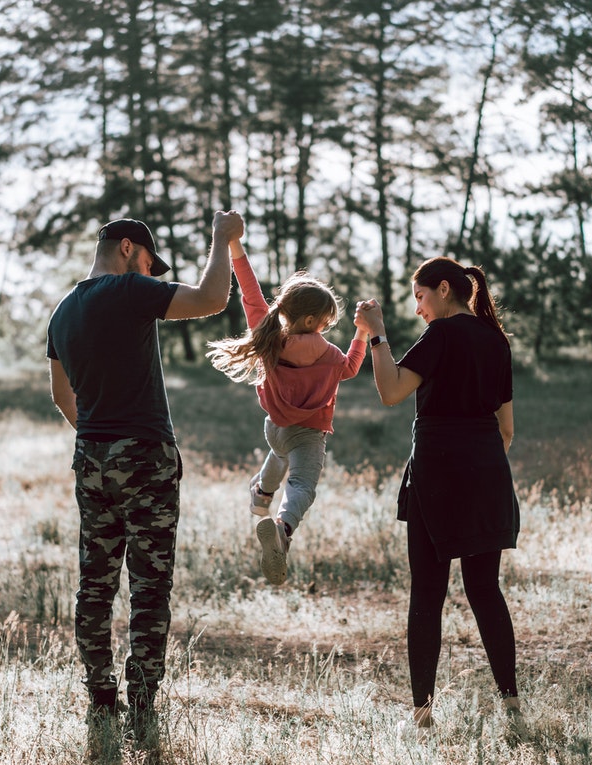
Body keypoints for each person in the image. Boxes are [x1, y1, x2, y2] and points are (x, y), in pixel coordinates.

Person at [47, 212, 244, 734]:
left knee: (95, 584)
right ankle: (141, 701)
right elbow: (212, 298)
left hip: (91, 458)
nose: (152, 276)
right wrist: (222, 238)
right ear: (128, 248)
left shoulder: (62, 311)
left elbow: (61, 396)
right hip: (144, 457)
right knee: (150, 584)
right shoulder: (129, 290)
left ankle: (100, 694)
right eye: (150, 265)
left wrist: (99, 435)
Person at [353, 257, 523, 735]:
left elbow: (391, 391)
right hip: (487, 474)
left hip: (437, 476)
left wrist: (377, 335)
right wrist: (479, 464)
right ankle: (512, 707)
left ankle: (423, 717)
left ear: (444, 289)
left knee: (428, 593)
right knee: (485, 591)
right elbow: (507, 429)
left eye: (421, 297)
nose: (419, 309)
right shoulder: (496, 340)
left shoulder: (441, 335)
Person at [206, 239, 366, 586]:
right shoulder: (330, 355)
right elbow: (352, 367)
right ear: (311, 320)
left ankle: (262, 493)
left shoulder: (270, 338)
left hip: (275, 429)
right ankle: (283, 528)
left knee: (279, 454)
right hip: (307, 435)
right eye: (324, 322)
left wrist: (235, 246)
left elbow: (250, 294)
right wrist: (363, 332)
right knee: (301, 485)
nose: (325, 328)